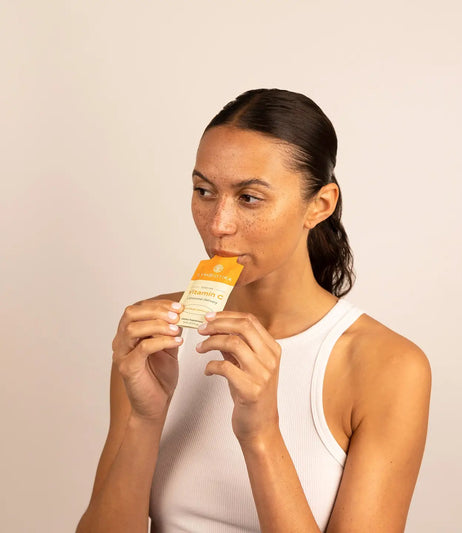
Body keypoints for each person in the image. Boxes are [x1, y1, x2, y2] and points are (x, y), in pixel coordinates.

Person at [76, 88, 432, 533]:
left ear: (319, 205)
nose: (218, 225)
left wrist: (262, 434)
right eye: (204, 191)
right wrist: (144, 420)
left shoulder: (388, 366)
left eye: (249, 198)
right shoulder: (155, 332)